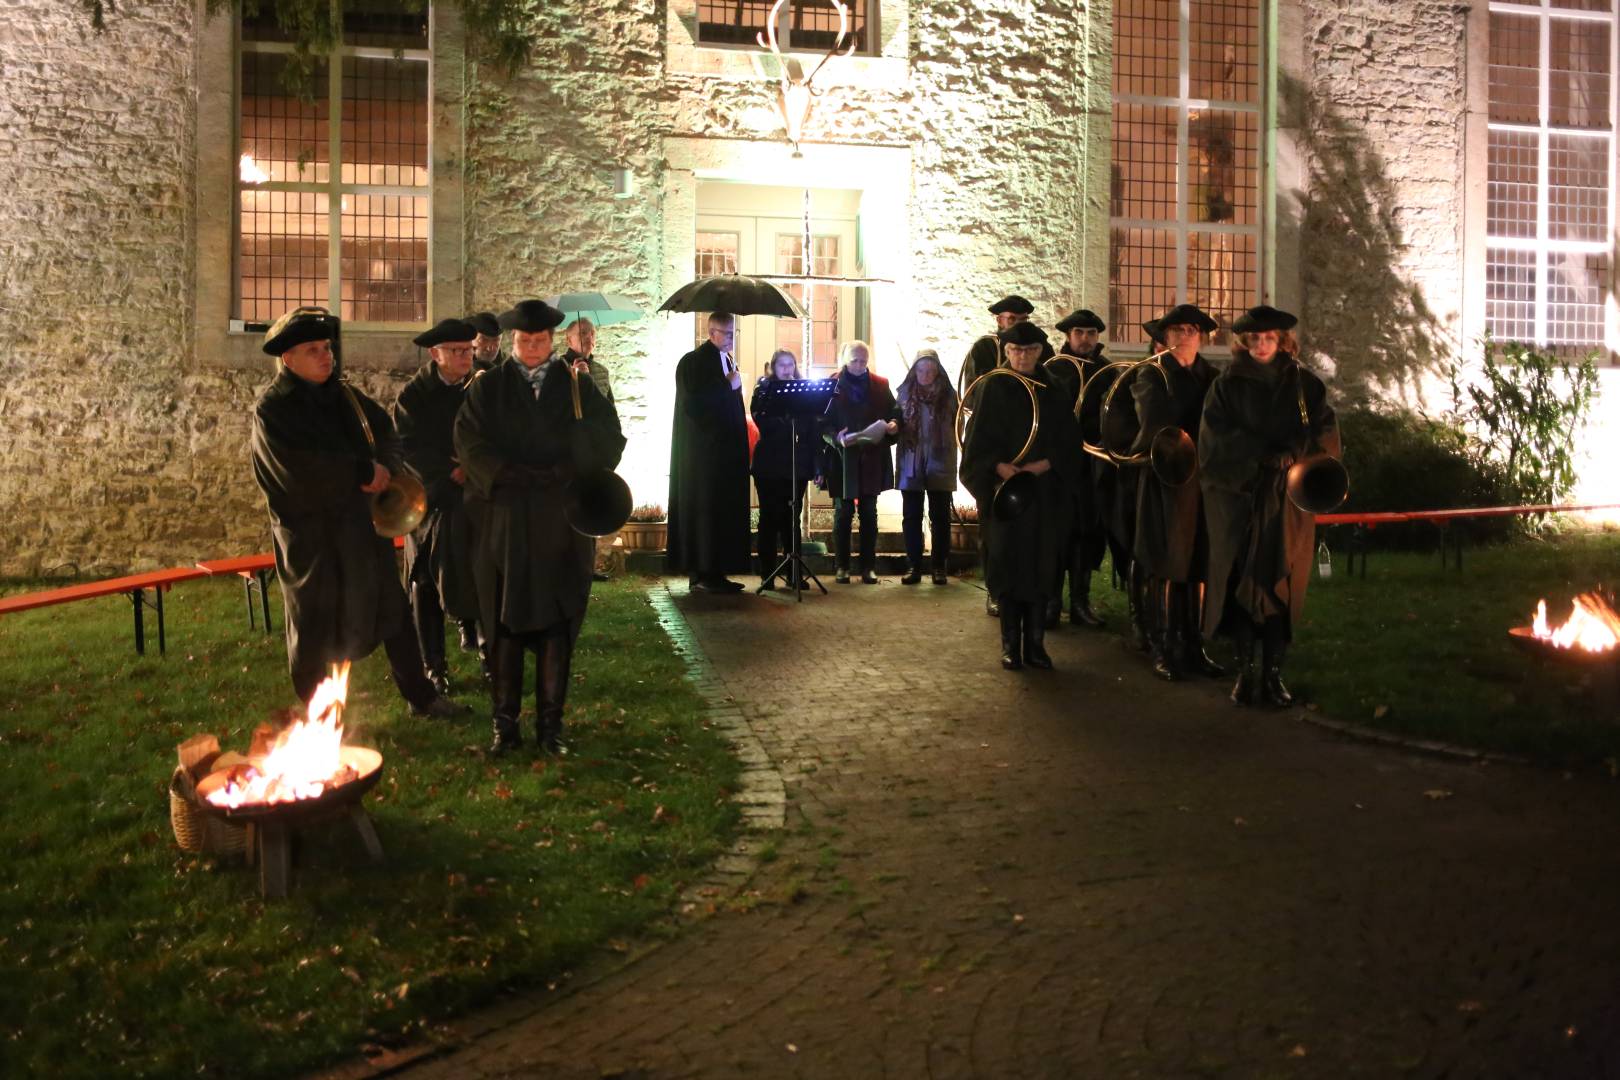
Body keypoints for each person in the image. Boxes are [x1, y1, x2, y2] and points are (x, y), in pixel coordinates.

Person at [249, 306, 464, 717]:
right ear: (287, 358)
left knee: (394, 613)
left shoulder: (345, 396)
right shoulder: (273, 409)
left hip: (360, 530)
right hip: (312, 539)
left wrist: (385, 466)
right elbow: (294, 470)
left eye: (326, 347)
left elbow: (386, 433)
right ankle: (318, 718)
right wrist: (360, 471)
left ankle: (422, 697)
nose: (326, 356)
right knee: (314, 625)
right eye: (313, 350)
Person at [454, 299, 626, 754]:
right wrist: (506, 474)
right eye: (525, 341)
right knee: (504, 624)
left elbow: (609, 435)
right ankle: (504, 727)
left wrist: (567, 468)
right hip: (506, 522)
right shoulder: (489, 389)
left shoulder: (575, 387)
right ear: (514, 341)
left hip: (559, 521)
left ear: (551, 341)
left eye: (540, 341)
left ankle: (552, 729)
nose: (532, 348)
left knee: (557, 622)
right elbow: (468, 441)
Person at [1199, 305, 1340, 707]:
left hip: (1289, 503)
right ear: (1244, 342)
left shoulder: (1304, 385)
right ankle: (1245, 674)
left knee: (1281, 586)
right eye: (1255, 339)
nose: (1262, 345)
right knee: (1245, 585)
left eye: (1269, 338)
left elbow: (1324, 431)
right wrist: (1259, 454)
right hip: (1242, 500)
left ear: (1282, 341)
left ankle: (1274, 675)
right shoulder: (1227, 386)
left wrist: (1294, 453)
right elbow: (1214, 439)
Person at [960, 320, 1082, 670]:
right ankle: (1011, 644)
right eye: (1016, 350)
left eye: (1029, 350)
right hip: (1007, 498)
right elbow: (977, 442)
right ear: (1007, 352)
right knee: (1009, 567)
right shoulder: (993, 387)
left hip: (1043, 496)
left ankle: (1037, 645)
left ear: (1040, 351)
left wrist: (1045, 465)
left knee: (1041, 568)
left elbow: (1069, 443)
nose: (1023, 356)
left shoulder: (1053, 389)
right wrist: (999, 467)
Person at [1130, 304, 1224, 682]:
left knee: (1199, 560)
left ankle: (1195, 644)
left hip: (1202, 482)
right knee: (1169, 561)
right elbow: (1155, 422)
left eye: (1191, 330)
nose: (1184, 336)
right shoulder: (1151, 375)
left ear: (1200, 337)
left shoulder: (1214, 378)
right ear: (1163, 338)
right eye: (1176, 330)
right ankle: (1166, 645)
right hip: (1167, 481)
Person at [393, 317, 481, 698]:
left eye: (469, 350)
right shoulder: (413, 397)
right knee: (424, 582)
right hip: (427, 503)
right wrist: (450, 472)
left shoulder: (477, 387)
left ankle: (484, 647)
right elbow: (409, 449)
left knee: (477, 572)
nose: (466, 358)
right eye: (458, 352)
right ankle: (434, 666)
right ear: (436, 354)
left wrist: (472, 466)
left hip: (472, 500)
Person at [668, 312, 753, 594]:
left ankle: (717, 570)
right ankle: (703, 570)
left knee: (721, 512)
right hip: (704, 457)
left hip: (724, 455)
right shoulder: (693, 362)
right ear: (711, 332)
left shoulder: (726, 360)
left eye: (733, 333)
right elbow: (694, 405)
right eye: (727, 333)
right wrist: (727, 385)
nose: (731, 339)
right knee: (705, 511)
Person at [1045, 308, 1110, 627]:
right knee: (1058, 533)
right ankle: (1052, 601)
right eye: (1079, 333)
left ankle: (1080, 601)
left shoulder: (1108, 371)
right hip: (1059, 467)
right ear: (1068, 337)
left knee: (1086, 533)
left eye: (1091, 334)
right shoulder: (1054, 371)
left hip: (1092, 467)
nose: (1085, 339)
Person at [820, 340, 899, 584]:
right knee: (843, 513)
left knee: (869, 512)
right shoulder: (831, 384)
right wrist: (836, 438)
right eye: (854, 360)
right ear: (844, 359)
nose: (859, 365)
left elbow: (893, 411)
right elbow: (822, 422)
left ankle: (868, 567)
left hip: (871, 455)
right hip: (843, 457)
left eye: (863, 361)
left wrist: (894, 424)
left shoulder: (880, 384)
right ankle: (842, 566)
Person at [749, 349, 819, 589]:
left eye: (791, 364)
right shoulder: (764, 391)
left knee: (792, 519)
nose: (787, 369)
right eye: (782, 365)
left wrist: (816, 466)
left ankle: (793, 573)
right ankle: (767, 574)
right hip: (769, 465)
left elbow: (811, 433)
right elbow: (762, 423)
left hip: (795, 466)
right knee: (769, 518)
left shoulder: (804, 394)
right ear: (774, 367)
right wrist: (784, 416)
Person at [560, 316, 618, 582]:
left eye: (592, 333)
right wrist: (577, 379)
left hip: (597, 450)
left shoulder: (602, 371)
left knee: (591, 507)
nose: (588, 338)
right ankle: (566, 564)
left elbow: (609, 409)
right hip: (571, 449)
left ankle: (588, 563)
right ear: (568, 339)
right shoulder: (559, 368)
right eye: (582, 333)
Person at [894, 348, 958, 585]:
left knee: (940, 516)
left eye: (930, 369)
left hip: (940, 461)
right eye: (921, 369)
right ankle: (914, 565)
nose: (925, 374)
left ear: (938, 371)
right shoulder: (903, 395)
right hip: (911, 460)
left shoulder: (950, 397)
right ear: (914, 370)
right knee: (911, 515)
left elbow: (958, 425)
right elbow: (896, 422)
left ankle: (939, 566)